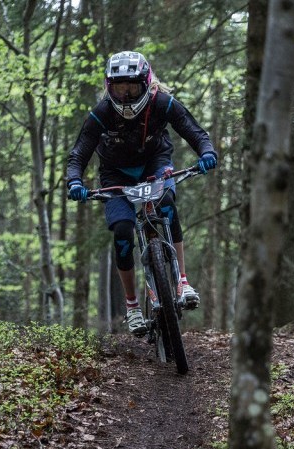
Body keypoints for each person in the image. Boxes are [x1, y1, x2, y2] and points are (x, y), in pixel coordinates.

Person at [66, 51, 218, 336]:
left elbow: (194, 131)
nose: (125, 96)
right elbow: (79, 153)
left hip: (155, 163)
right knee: (123, 230)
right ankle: (133, 305)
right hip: (115, 174)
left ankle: (182, 281)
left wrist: (206, 152)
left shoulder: (162, 102)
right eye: (119, 88)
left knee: (166, 203)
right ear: (109, 87)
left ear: (146, 84)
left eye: (132, 88)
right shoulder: (101, 113)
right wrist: (74, 182)